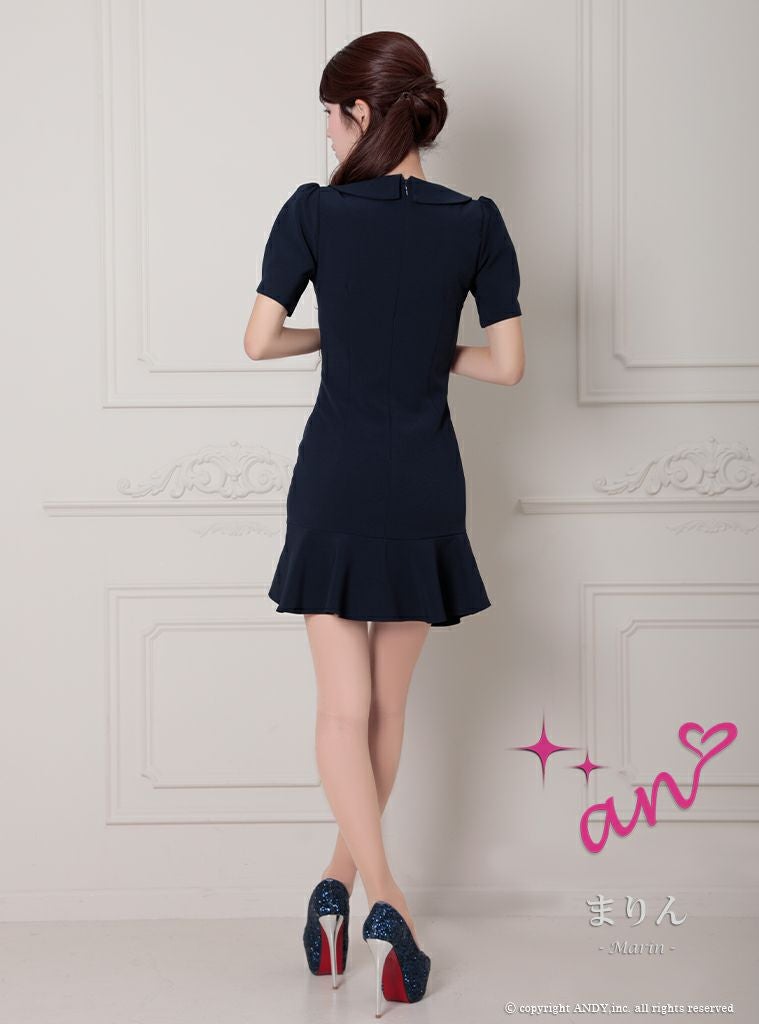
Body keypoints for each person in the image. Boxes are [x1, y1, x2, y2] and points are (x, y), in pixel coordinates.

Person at [243, 29, 524, 1014]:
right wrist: (421, 348)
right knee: (388, 712)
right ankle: (338, 886)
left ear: (362, 112)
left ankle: (384, 902)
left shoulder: (314, 211)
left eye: (331, 113)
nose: (327, 131)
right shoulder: (476, 221)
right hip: (426, 481)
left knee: (339, 711)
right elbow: (506, 366)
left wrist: (346, 335)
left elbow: (258, 340)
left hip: (335, 479)